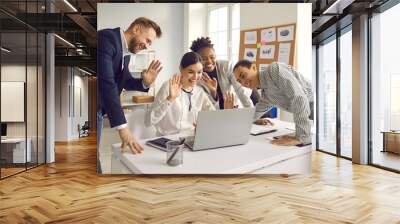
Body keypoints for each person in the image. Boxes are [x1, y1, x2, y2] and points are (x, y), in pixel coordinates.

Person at [97, 17, 162, 172]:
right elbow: (107, 84)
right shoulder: (107, 39)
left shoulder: (125, 54)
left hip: (99, 111)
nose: (146, 46)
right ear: (136, 29)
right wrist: (123, 128)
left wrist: (145, 82)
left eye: (149, 44)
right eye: (147, 40)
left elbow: (124, 81)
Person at [149, 52, 235, 136]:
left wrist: (226, 112)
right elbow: (149, 120)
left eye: (199, 72)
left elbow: (213, 117)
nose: (195, 77)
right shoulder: (168, 87)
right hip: (167, 140)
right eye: (191, 72)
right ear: (181, 69)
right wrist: (170, 99)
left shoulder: (199, 91)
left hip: (191, 139)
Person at [233, 60, 314, 146]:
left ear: (253, 67)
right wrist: (231, 122)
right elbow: (252, 115)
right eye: (239, 81)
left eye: (243, 75)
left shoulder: (273, 70)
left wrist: (302, 137)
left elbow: (299, 98)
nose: (244, 82)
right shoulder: (266, 96)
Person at [189, 37, 253, 110]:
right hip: (216, 113)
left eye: (212, 57)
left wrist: (253, 114)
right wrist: (213, 93)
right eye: (204, 59)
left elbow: (240, 91)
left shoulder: (227, 66)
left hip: (235, 108)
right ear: (197, 60)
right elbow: (206, 105)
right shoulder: (196, 78)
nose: (209, 61)